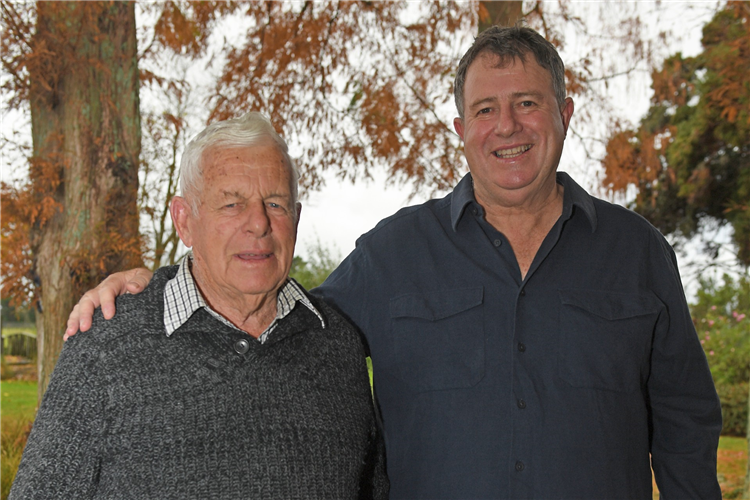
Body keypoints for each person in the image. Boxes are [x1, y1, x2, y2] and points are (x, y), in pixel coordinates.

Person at [65, 26, 722, 499]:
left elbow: (686, 425)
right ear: (461, 129)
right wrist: (158, 287)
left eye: (528, 103)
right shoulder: (395, 253)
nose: (508, 126)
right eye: (485, 109)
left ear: (564, 114)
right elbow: (271, 315)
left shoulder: (638, 254)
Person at [12, 112, 388, 499]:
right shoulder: (106, 346)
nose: (258, 224)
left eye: (275, 204)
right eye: (231, 205)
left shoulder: (338, 345)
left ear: (297, 217)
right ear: (184, 220)